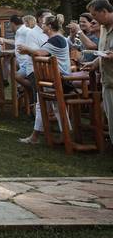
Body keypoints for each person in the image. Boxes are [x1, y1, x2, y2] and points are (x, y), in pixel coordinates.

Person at [18, 16, 71, 145]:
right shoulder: (55, 39)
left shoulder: (57, 40)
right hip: (54, 80)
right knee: (47, 107)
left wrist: (27, 49)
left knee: (47, 107)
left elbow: (40, 53)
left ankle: (38, 136)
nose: (42, 26)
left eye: (43, 24)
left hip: (58, 80)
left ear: (50, 27)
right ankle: (65, 134)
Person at [83, 0, 113, 145]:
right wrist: (95, 63)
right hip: (108, 83)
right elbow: (103, 52)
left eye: (95, 15)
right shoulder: (102, 28)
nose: (93, 19)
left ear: (104, 11)